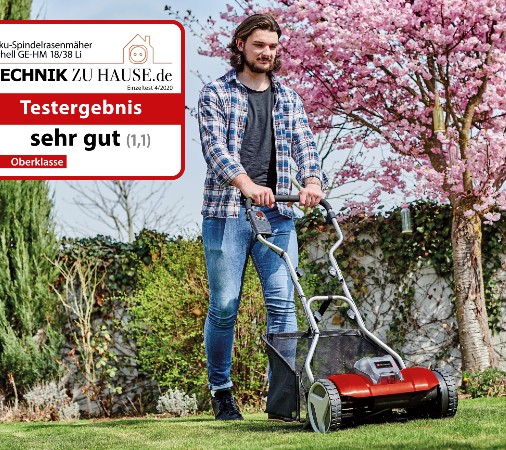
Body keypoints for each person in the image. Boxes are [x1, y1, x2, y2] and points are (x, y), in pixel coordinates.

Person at [197, 13, 325, 421]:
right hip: (228, 214)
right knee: (225, 305)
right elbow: (215, 148)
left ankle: (281, 401)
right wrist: (245, 183)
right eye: (259, 45)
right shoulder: (215, 93)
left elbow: (305, 144)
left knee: (283, 307)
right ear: (240, 45)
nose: (267, 53)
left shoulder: (288, 98)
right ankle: (221, 392)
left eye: (272, 46)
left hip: (280, 215)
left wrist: (312, 181)